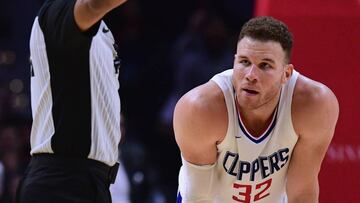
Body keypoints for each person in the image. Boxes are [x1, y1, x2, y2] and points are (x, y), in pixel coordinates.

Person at [173, 16, 339, 203]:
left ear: (286, 74)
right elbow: (199, 197)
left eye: (265, 65)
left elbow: (302, 194)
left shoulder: (314, 104)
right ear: (234, 61)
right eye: (244, 62)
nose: (251, 76)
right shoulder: (200, 109)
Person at [16, 0, 127, 202]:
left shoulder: (99, 28)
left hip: (89, 181)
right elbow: (93, 6)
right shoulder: (58, 9)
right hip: (62, 183)